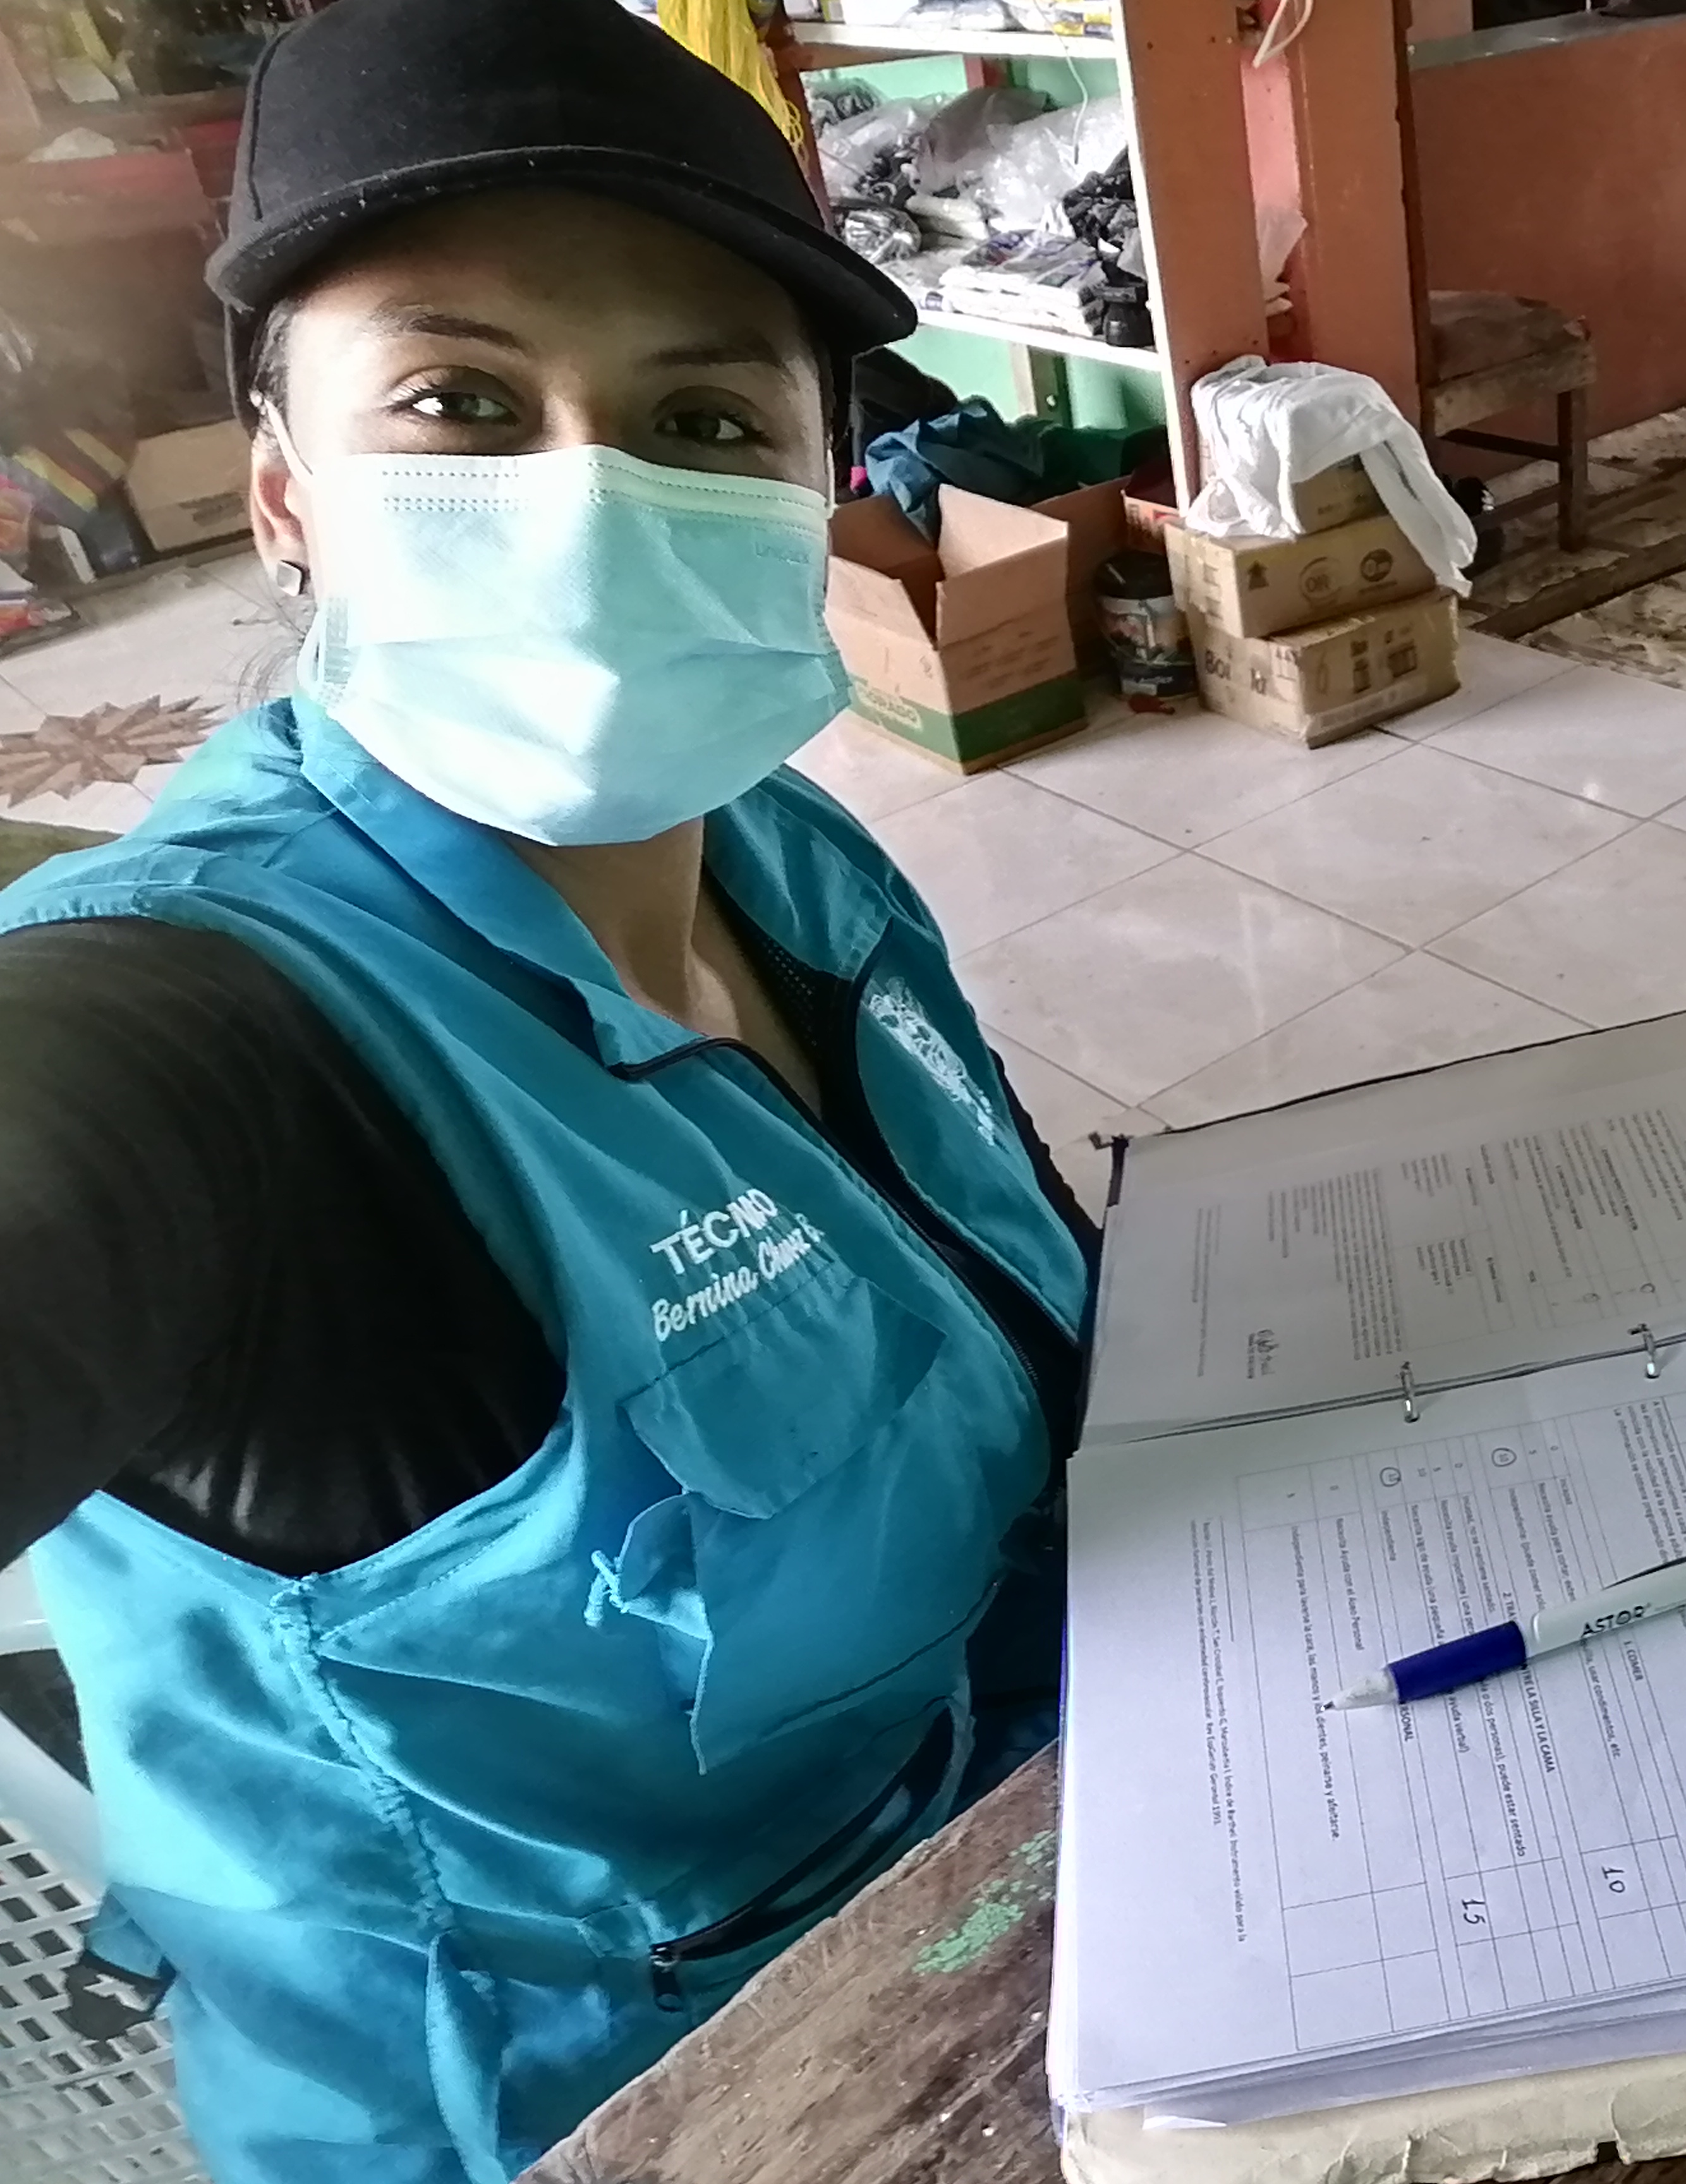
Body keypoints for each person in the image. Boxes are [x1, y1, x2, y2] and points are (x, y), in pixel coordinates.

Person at [0, 1, 1090, 2176]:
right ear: (291, 494)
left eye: (702, 414)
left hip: (1030, 1889)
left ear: (812, 492)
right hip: (625, 2116)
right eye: (460, 401)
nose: (587, 493)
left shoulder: (787, 858)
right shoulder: (207, 1042)